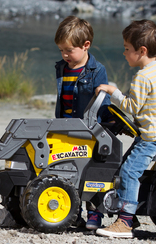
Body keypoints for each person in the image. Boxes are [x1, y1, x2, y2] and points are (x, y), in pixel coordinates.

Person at [95, 19, 156, 238]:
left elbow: (132, 106)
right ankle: (129, 212)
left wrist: (113, 91)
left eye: (127, 49)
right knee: (124, 169)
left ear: (142, 51)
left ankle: (125, 222)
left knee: (129, 172)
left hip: (153, 138)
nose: (124, 53)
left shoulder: (142, 77)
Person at [54, 15, 113, 230]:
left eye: (69, 50)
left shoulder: (97, 71)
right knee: (68, 170)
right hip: (65, 127)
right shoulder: (62, 68)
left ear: (86, 45)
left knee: (92, 171)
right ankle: (72, 212)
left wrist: (108, 122)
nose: (65, 55)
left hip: (89, 130)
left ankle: (95, 213)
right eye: (61, 50)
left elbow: (103, 101)